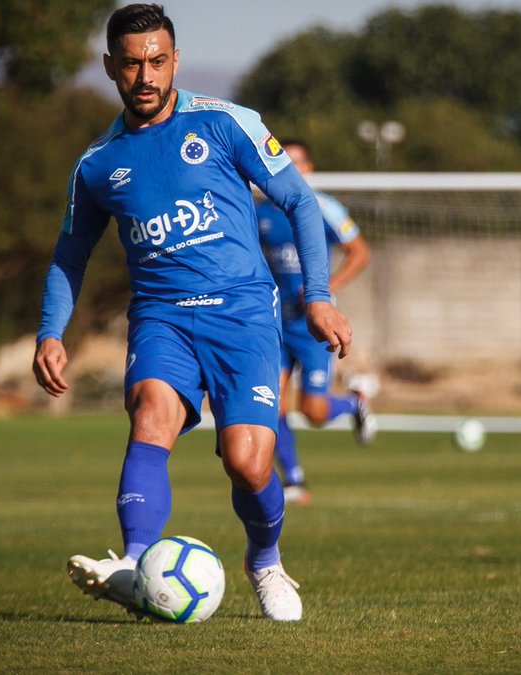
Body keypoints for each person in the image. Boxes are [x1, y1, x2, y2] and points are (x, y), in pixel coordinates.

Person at [31, 4, 352, 622]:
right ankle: (134, 565)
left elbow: (301, 203)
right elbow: (69, 255)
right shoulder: (97, 164)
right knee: (151, 413)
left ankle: (265, 561)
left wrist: (318, 296)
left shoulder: (228, 124)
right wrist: (50, 332)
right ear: (110, 68)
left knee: (247, 460)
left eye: (156, 61)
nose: (145, 76)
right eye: (130, 64)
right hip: (162, 319)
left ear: (175, 60)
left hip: (244, 315)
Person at [256, 140, 375, 506]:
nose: (292, 170)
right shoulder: (259, 211)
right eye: (284, 162)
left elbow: (360, 252)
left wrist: (326, 289)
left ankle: (354, 404)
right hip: (275, 321)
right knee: (269, 404)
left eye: (298, 163)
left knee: (315, 411)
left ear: (309, 168)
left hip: (312, 324)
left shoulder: (323, 207)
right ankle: (293, 480)